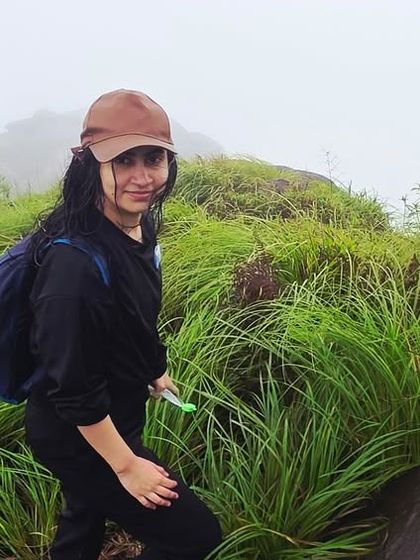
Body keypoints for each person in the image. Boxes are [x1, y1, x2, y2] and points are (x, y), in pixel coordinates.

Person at [24, 89, 222, 560]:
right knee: (192, 537)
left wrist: (153, 368)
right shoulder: (72, 268)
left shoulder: (136, 226)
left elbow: (134, 314)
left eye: (153, 158)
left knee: (85, 516)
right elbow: (71, 389)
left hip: (116, 413)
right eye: (122, 160)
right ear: (91, 164)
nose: (141, 177)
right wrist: (127, 465)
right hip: (78, 432)